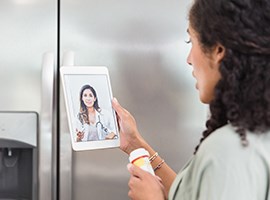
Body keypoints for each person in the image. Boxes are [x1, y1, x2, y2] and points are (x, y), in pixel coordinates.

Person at [111, 0, 270, 199]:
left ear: (218, 51)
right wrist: (134, 144)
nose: (188, 58)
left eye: (191, 42)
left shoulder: (228, 150)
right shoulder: (253, 136)